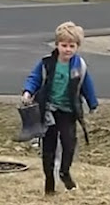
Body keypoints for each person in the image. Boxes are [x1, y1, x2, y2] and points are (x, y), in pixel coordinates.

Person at [21, 21, 98, 195]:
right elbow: (34, 78)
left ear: (77, 47)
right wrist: (27, 92)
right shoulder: (47, 63)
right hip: (48, 110)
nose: (68, 50)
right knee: (48, 147)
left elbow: (87, 85)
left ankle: (65, 172)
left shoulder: (80, 66)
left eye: (72, 46)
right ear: (57, 45)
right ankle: (49, 182)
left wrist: (92, 104)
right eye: (64, 45)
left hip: (68, 111)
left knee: (69, 143)